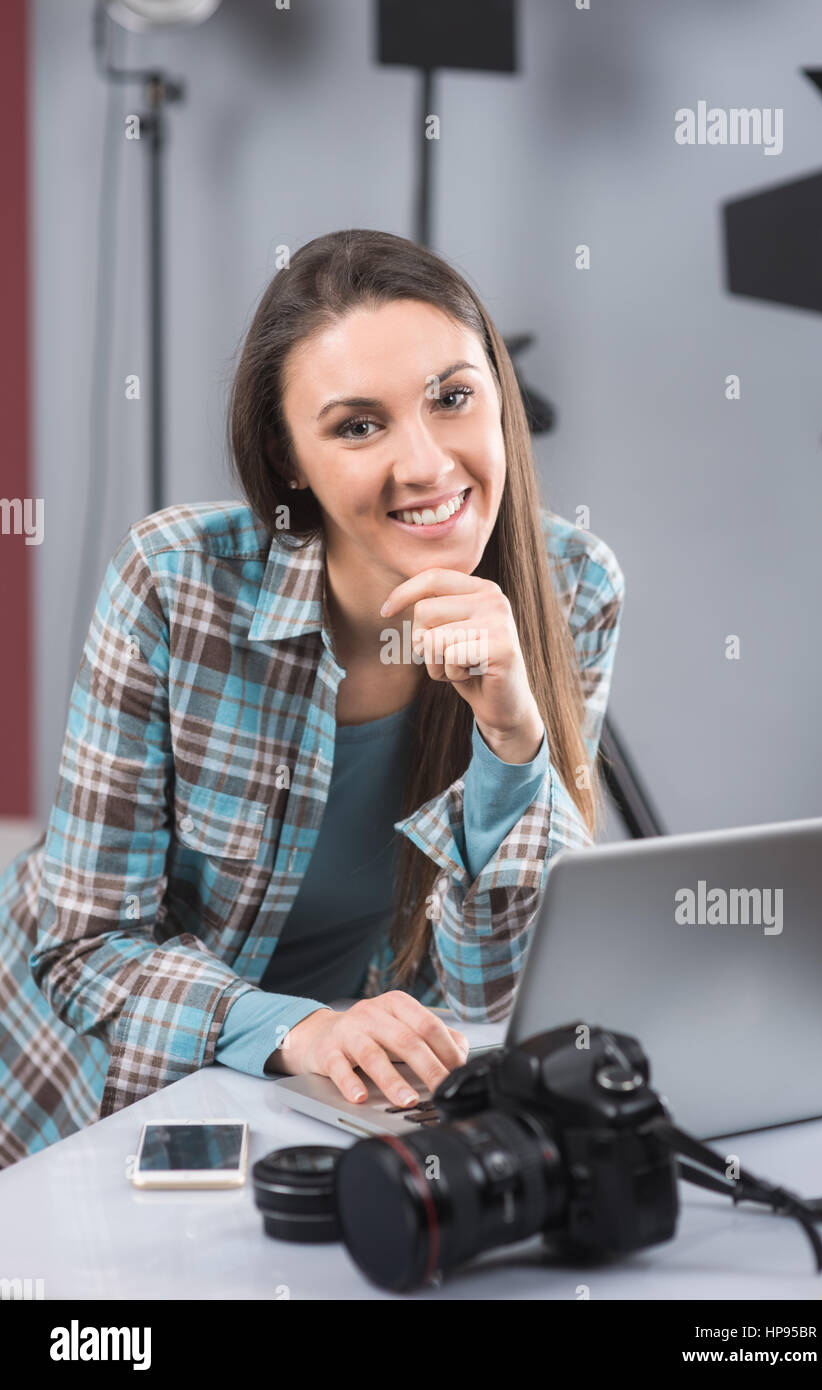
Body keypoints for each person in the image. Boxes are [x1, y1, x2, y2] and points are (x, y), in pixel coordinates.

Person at [0, 229, 624, 1168]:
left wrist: (509, 732)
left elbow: (499, 997)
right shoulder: (178, 582)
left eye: (452, 398)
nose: (425, 464)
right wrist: (302, 1031)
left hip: (330, 1104)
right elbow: (87, 948)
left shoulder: (570, 586)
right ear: (287, 457)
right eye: (357, 425)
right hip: (74, 1093)